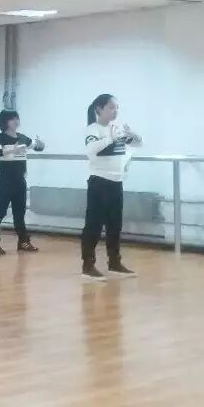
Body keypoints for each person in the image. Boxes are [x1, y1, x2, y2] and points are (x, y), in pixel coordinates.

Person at [81, 94, 141, 281]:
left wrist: (134, 136)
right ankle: (88, 266)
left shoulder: (117, 128)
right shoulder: (92, 129)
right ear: (99, 109)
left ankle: (114, 263)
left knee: (115, 225)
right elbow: (91, 150)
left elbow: (138, 144)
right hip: (99, 182)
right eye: (111, 107)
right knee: (94, 225)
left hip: (116, 182)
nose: (115, 111)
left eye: (116, 107)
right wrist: (111, 139)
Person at [0, 109, 45, 255]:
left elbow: (38, 147)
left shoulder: (23, 138)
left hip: (20, 181)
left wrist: (40, 143)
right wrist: (11, 150)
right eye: (12, 119)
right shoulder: (0, 138)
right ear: (5, 122)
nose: (16, 121)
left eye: (17, 118)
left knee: (19, 213)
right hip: (5, 181)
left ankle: (23, 241)